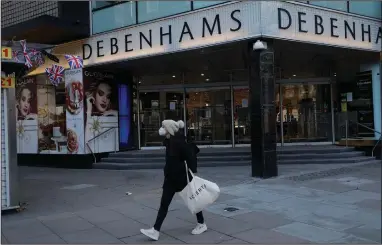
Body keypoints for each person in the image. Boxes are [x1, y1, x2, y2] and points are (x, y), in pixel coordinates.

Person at [140, 119, 207, 241]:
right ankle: (155, 230)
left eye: (164, 127)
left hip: (182, 178)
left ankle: (201, 223)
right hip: (170, 179)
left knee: (193, 201)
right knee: (164, 204)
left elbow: (191, 155)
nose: (162, 129)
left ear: (169, 129)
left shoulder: (179, 142)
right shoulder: (169, 141)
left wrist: (193, 170)